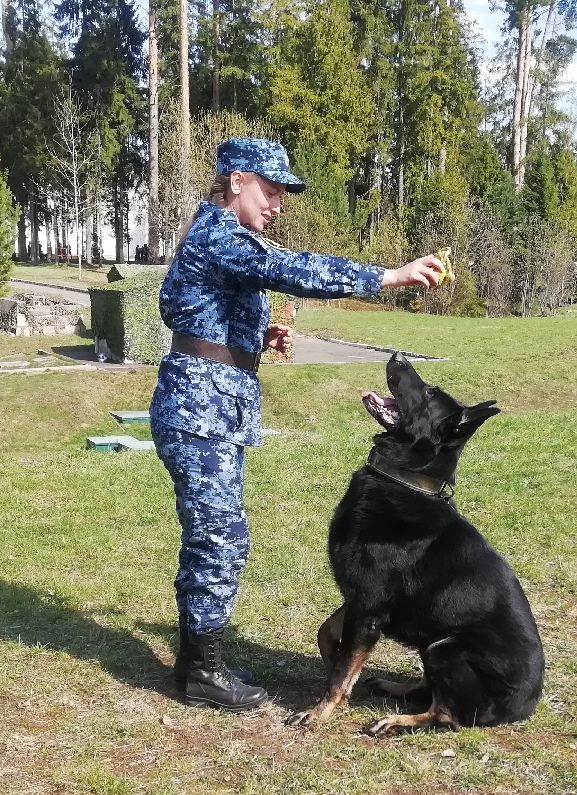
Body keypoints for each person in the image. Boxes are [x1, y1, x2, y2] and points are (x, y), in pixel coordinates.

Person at [152, 137, 444, 712]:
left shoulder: (218, 239)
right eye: (271, 188)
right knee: (219, 537)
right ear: (236, 180)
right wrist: (386, 276)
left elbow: (183, 309)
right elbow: (291, 269)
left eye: (283, 192)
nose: (278, 203)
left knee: (218, 536)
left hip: (216, 404)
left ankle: (199, 657)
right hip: (199, 410)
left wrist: (254, 340)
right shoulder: (219, 233)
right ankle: (200, 669)